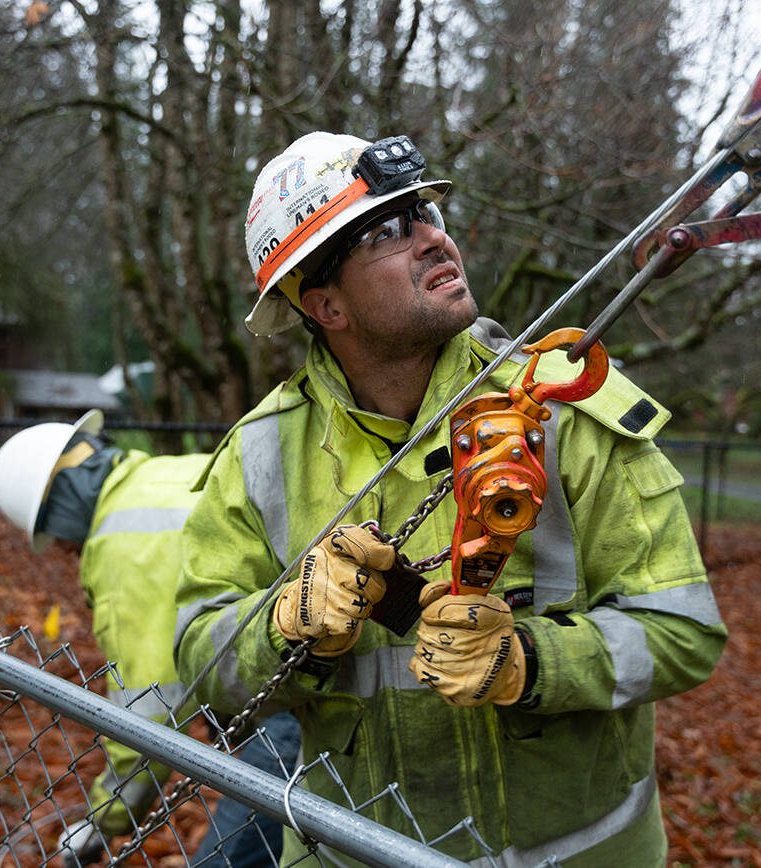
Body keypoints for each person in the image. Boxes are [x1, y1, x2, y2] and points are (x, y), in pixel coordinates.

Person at [174, 132, 727, 866]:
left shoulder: (568, 408)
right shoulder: (259, 456)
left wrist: (530, 662)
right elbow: (198, 667)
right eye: (389, 231)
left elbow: (683, 631)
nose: (436, 239)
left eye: (427, 214)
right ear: (326, 305)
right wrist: (282, 625)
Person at [0, 411, 299, 867]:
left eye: (54, 535)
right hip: (318, 654)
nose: (61, 550)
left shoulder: (122, 549)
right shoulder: (161, 473)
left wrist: (104, 821)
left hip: (301, 695)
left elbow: (148, 716)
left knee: (225, 860)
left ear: (61, 504)